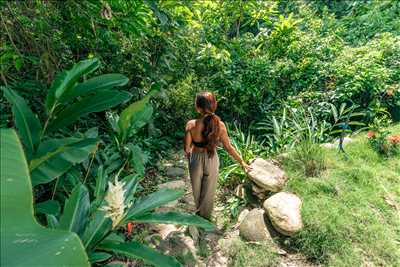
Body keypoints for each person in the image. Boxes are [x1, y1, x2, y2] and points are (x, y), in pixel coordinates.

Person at [184, 91, 251, 220]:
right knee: (209, 190)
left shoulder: (191, 124)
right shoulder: (220, 125)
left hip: (196, 158)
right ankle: (206, 217)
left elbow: (187, 149)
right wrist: (242, 162)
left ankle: (198, 216)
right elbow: (228, 147)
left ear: (198, 107)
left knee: (197, 190)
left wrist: (191, 160)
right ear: (214, 105)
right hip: (212, 158)